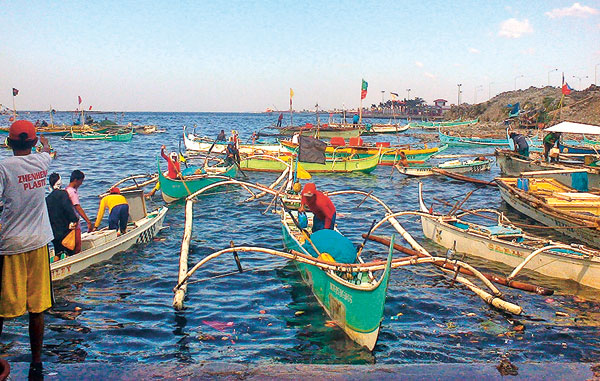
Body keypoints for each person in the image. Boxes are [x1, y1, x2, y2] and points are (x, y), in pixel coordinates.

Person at [0, 120, 53, 377]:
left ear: (8, 143)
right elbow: (48, 150)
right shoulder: (42, 163)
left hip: (10, 244)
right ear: (32, 143)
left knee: (1, 307)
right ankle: (36, 362)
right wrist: (43, 143)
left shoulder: (3, 167)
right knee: (38, 308)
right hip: (38, 242)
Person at [46, 173, 79, 256]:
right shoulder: (63, 194)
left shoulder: (47, 199)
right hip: (65, 230)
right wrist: (74, 219)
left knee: (58, 252)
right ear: (59, 182)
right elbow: (68, 209)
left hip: (53, 232)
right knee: (69, 251)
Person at [66, 169, 94, 254]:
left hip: (67, 222)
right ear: (76, 180)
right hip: (74, 223)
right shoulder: (72, 192)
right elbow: (77, 207)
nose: (81, 184)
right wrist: (88, 221)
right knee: (76, 246)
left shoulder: (66, 190)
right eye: (81, 181)